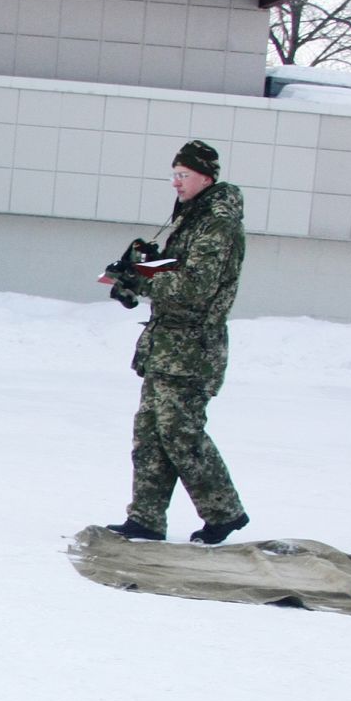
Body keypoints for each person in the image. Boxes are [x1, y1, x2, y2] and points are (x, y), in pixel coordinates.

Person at [104, 140, 250, 546]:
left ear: (206, 177)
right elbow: (177, 272)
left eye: (183, 176)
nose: (176, 183)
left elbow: (195, 288)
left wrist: (146, 277)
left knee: (181, 432)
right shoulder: (193, 218)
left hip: (192, 350)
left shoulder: (217, 223)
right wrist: (142, 266)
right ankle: (146, 518)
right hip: (168, 345)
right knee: (151, 432)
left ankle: (224, 513)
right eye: (174, 175)